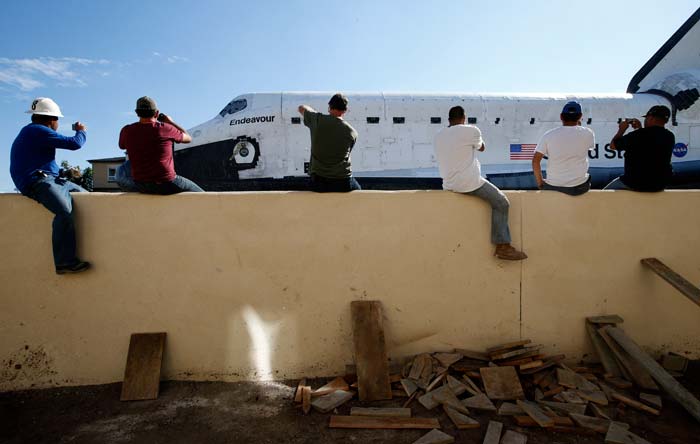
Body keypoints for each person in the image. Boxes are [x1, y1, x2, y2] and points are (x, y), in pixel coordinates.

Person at [434, 106, 527, 261]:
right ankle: (503, 246)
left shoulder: (439, 135)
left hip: (448, 184)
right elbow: (482, 148)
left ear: (449, 120)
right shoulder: (471, 131)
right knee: (501, 203)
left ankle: (503, 246)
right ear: (464, 117)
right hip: (469, 183)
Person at [9, 97, 91, 274]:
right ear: (51, 119)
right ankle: (64, 262)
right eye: (57, 120)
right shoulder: (36, 131)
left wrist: (63, 173)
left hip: (50, 179)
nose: (57, 124)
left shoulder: (33, 133)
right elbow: (74, 144)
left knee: (88, 198)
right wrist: (81, 131)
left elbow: (43, 163)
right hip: (36, 182)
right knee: (64, 212)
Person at [119, 96, 204, 194]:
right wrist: (170, 122)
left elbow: (122, 146)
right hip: (166, 183)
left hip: (141, 184)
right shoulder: (165, 128)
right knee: (201, 194)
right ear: (156, 113)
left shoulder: (127, 131)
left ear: (137, 113)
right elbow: (188, 138)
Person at [298, 93, 361, 192]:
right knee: (358, 191)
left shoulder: (317, 120)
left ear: (329, 107)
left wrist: (314, 114)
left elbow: (301, 108)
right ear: (345, 110)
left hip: (319, 182)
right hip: (343, 182)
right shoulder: (352, 132)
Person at [603, 105, 675, 191]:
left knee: (602, 195)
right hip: (659, 184)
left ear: (651, 118)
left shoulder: (638, 135)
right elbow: (649, 143)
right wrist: (639, 129)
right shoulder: (670, 136)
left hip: (634, 183)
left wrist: (622, 129)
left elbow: (613, 146)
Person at [532, 101, 594, 196]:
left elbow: (535, 161)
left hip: (553, 186)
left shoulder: (548, 135)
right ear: (580, 116)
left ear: (561, 117)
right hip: (579, 187)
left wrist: (540, 183)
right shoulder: (588, 133)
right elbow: (581, 140)